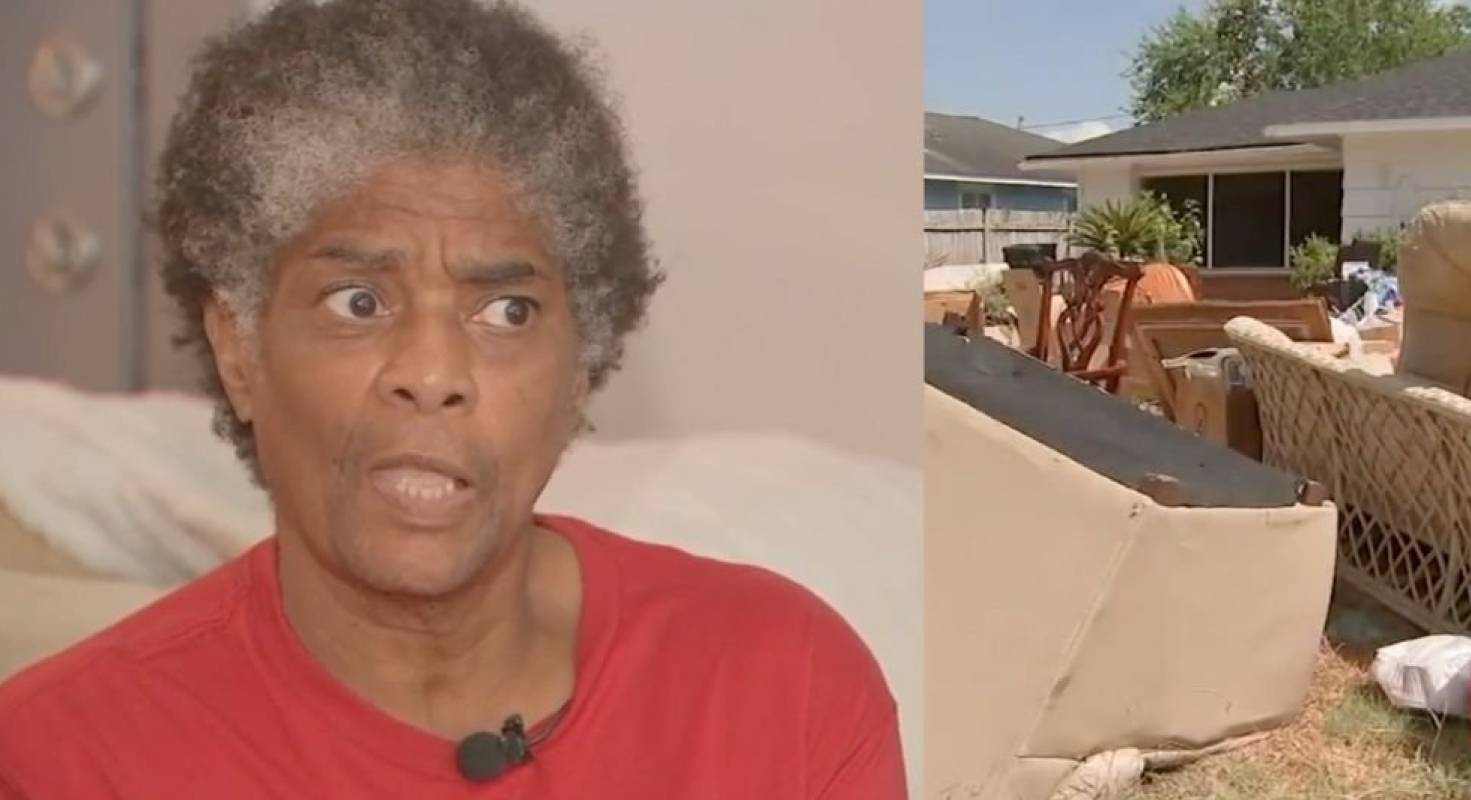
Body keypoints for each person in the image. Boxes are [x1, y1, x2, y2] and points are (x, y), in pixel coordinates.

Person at [0, 1, 904, 797]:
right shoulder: (62, 762)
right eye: (359, 302)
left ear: (581, 364)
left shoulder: (784, 686)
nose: (432, 372)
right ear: (240, 348)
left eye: (506, 311)